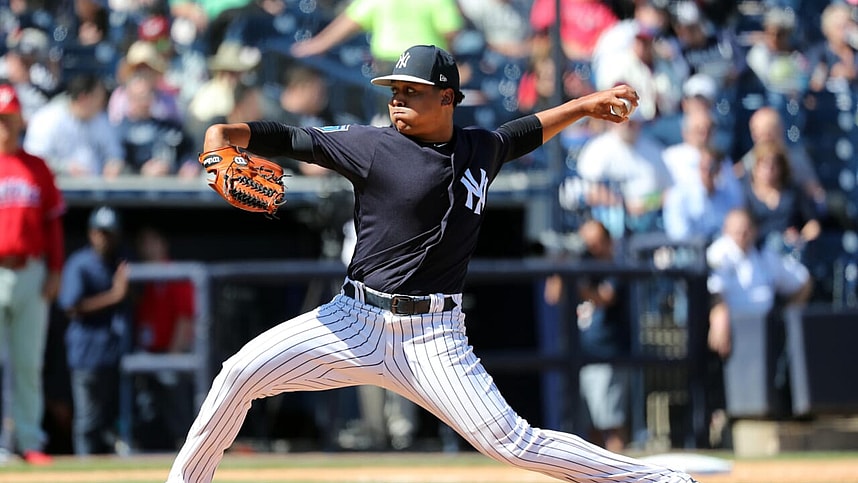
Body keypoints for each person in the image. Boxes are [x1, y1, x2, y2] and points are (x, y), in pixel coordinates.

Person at [165, 44, 697, 483]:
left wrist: (583, 106)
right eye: (394, 91)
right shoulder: (372, 146)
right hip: (353, 322)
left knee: (513, 442)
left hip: (434, 337)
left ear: (447, 98)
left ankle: (661, 481)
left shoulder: (479, 148)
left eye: (411, 92)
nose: (397, 100)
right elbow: (290, 138)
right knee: (238, 374)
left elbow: (524, 131)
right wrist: (222, 136)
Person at [0, 83, 64, 465]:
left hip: (30, 271)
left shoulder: (36, 166)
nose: (4, 127)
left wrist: (55, 270)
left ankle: (29, 440)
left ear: (20, 120)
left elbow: (53, 225)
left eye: (9, 119)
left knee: (28, 362)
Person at [706, 208, 812, 416]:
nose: (742, 235)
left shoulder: (765, 255)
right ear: (726, 231)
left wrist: (788, 315)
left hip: (767, 333)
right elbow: (715, 292)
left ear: (754, 230)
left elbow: (803, 282)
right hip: (732, 332)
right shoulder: (718, 253)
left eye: (746, 230)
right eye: (736, 231)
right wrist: (719, 316)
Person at [543, 220, 632, 453]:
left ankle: (620, 471)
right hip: (580, 357)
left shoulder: (614, 268)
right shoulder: (580, 269)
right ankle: (598, 472)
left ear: (607, 242)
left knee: (611, 424)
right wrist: (563, 263)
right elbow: (552, 295)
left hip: (608, 355)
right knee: (590, 428)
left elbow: (605, 297)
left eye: (595, 243)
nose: (590, 248)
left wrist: (575, 281)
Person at [57, 206, 130, 455]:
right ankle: (83, 468)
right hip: (87, 353)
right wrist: (114, 295)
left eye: (110, 233)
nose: (105, 239)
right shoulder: (80, 264)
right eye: (100, 233)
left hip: (115, 353)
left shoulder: (119, 262)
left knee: (112, 422)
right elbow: (71, 306)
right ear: (91, 233)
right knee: (88, 421)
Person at [131, 226, 196, 450]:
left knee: (177, 405)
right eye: (143, 243)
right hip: (149, 353)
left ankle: (187, 448)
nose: (147, 248)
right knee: (149, 407)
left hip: (172, 351)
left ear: (162, 244)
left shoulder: (174, 273)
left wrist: (173, 354)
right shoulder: (142, 277)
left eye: (152, 242)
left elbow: (186, 317)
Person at [23, 74, 126, 178]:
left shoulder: (101, 120)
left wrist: (113, 164)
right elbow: (34, 158)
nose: (103, 103)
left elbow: (114, 152)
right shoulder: (47, 119)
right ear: (83, 98)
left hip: (96, 185)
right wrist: (64, 168)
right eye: (99, 98)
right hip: (58, 183)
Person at [663, 145, 744, 244]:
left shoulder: (728, 197)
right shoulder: (679, 196)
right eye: (703, 166)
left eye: (711, 167)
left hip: (720, 248)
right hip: (688, 249)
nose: (707, 172)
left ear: (719, 169)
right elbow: (679, 235)